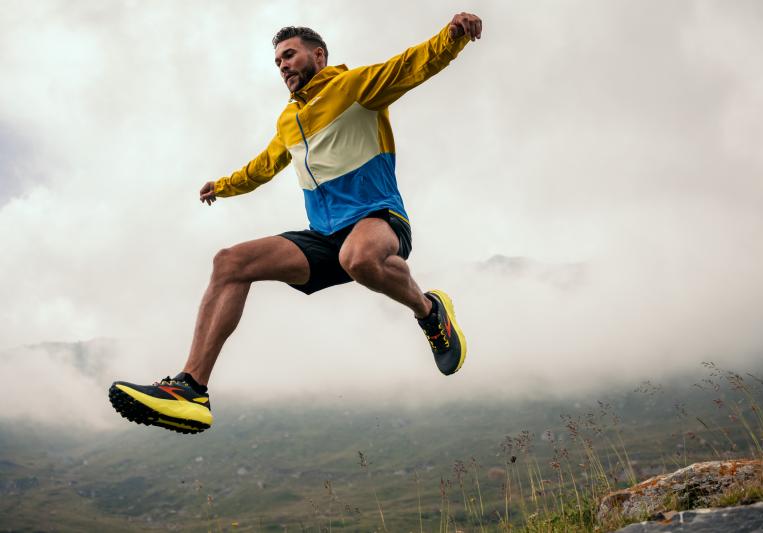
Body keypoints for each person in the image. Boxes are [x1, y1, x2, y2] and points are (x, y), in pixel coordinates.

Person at [109, 12, 483, 434]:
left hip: (378, 218)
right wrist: (224, 186)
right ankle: (191, 388)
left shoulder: (354, 87)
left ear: (318, 55)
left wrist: (451, 37)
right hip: (323, 235)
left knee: (359, 257)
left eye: (290, 55)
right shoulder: (289, 120)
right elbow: (265, 165)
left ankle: (431, 313)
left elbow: (410, 65)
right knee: (229, 262)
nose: (283, 66)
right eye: (278, 62)